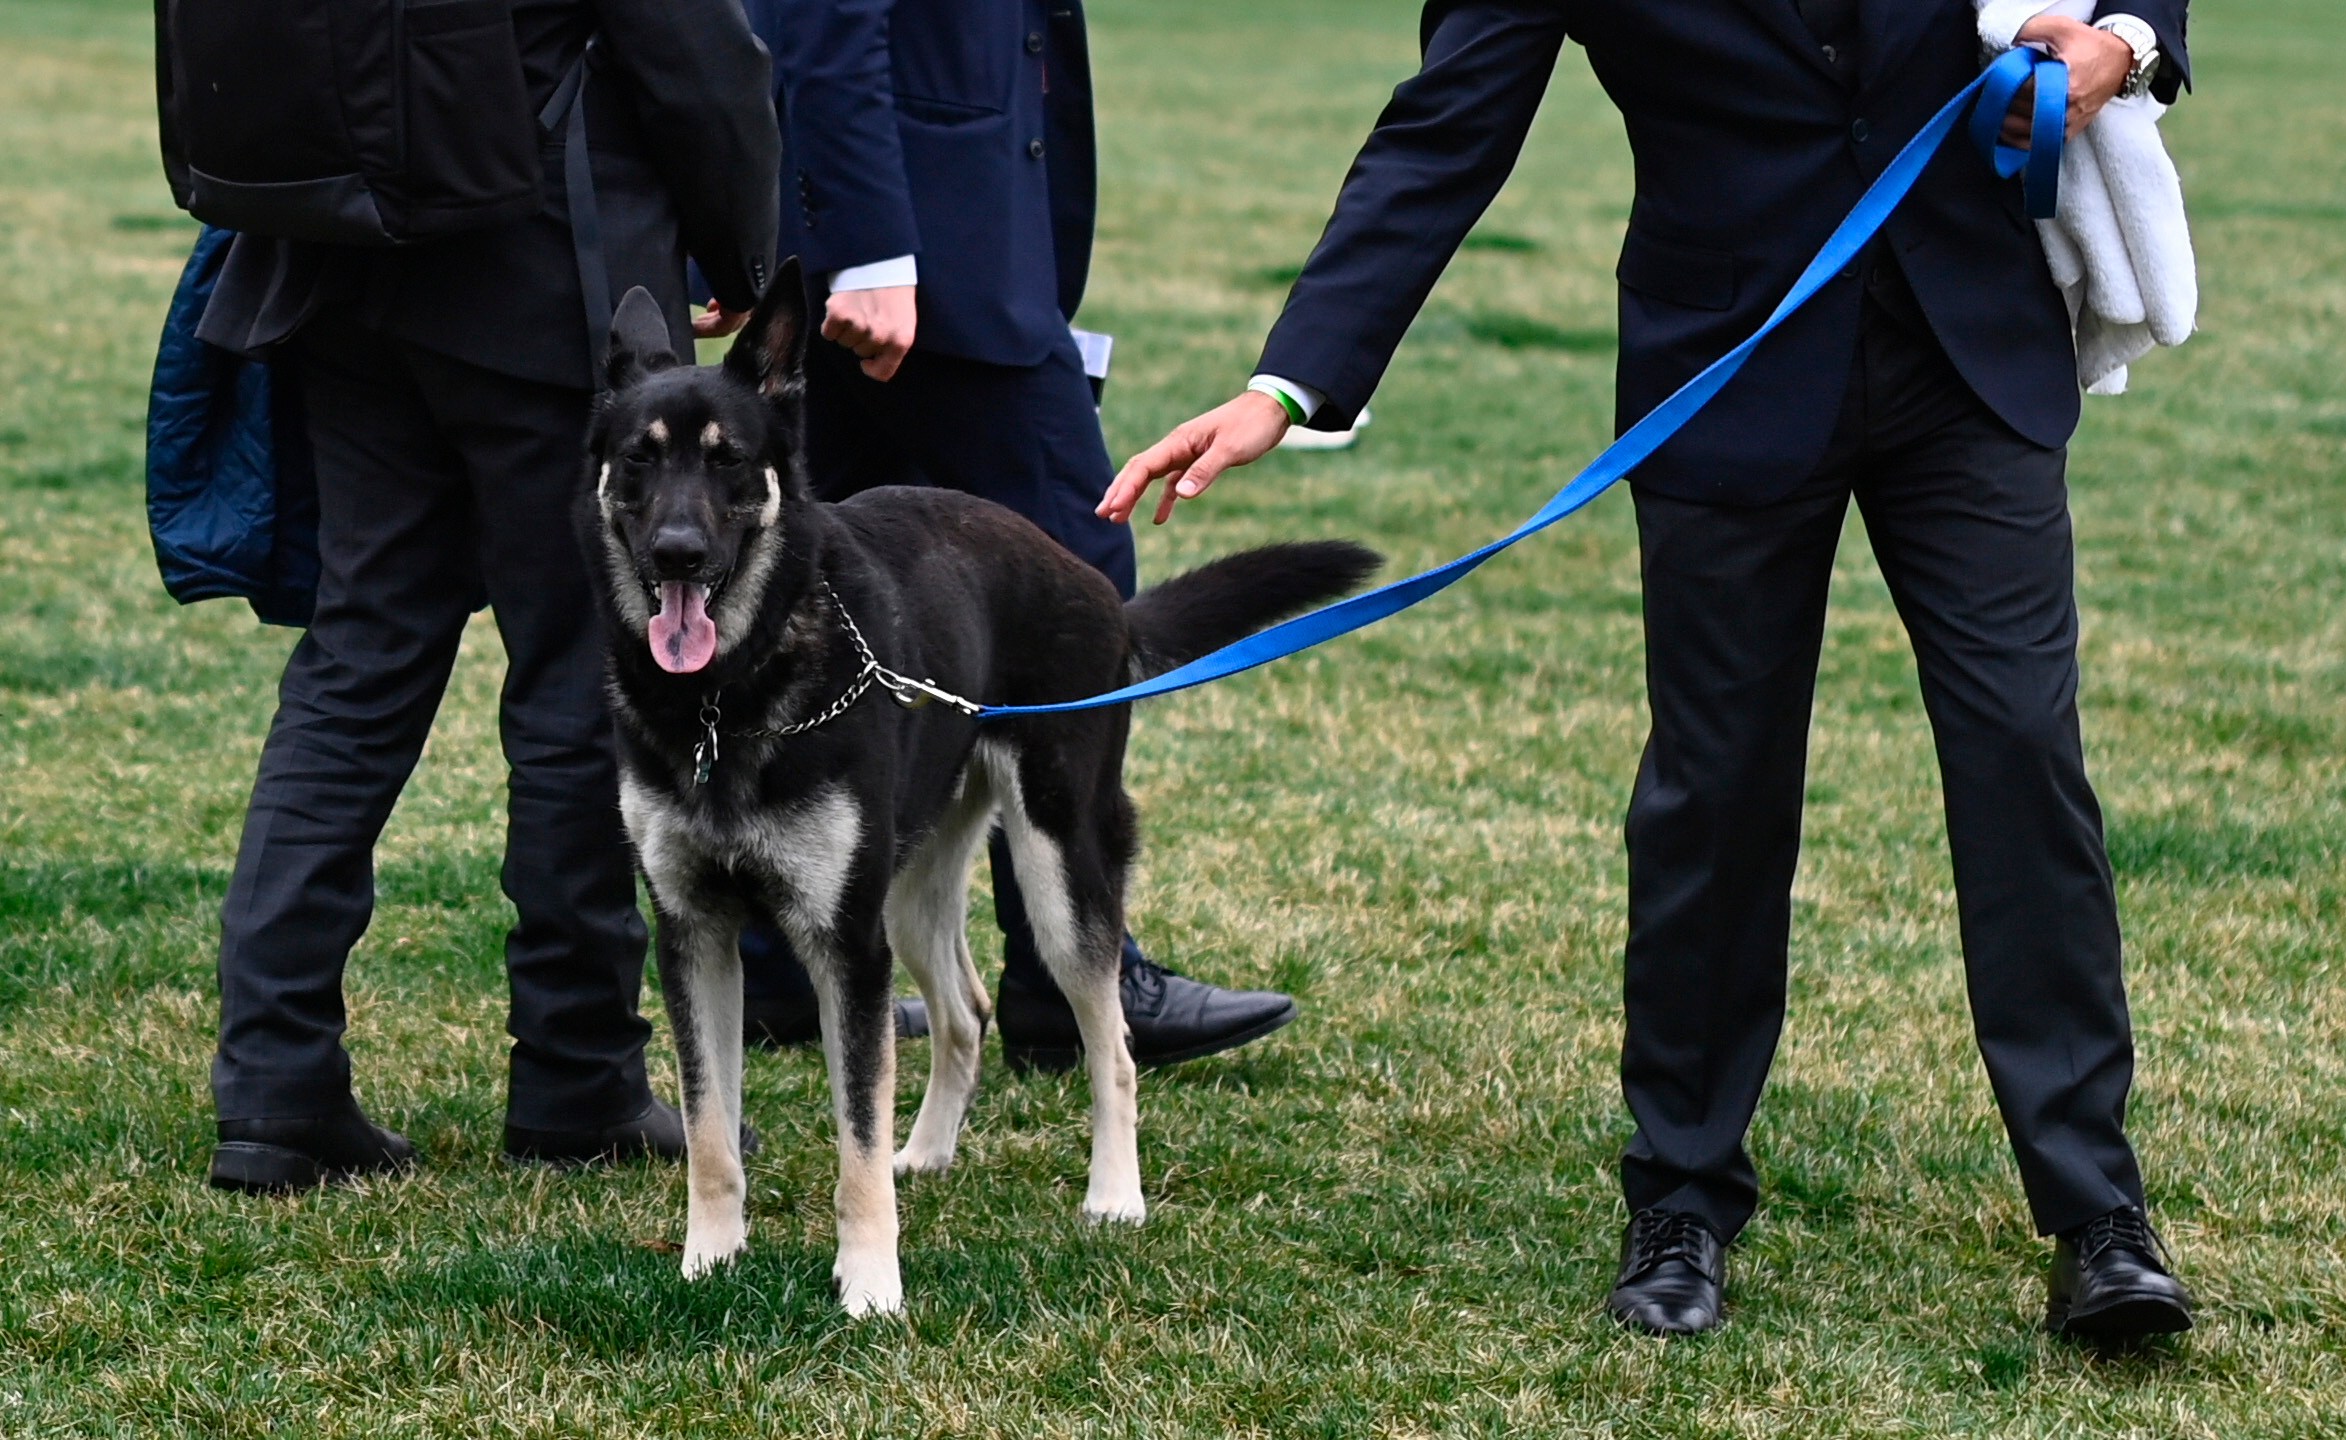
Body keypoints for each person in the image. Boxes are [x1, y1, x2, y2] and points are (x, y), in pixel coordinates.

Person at [1104, 0, 2195, 1340]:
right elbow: (1447, 128)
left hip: (1970, 352)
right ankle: (1681, 1196)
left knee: (2024, 751)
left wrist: (2130, 37)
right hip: (1729, 366)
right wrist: (1287, 387)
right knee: (1715, 787)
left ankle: (2097, 1211)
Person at [193, 0, 780, 1191]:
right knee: (579, 684)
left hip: (339, 259)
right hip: (546, 276)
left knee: (355, 667)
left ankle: (275, 1086)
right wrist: (746, 256)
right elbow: (692, 52)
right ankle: (576, 1075)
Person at [724, 0, 1300, 1073]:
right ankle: (1067, 965)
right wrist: (870, 244)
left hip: (933, 225)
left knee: (820, 581)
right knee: (1075, 584)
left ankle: (777, 949)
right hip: (916, 253)